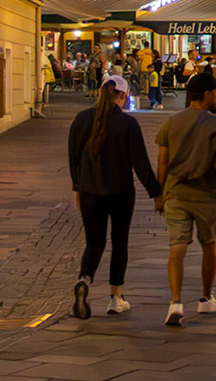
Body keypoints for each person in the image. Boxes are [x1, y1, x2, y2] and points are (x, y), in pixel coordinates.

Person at [67, 75, 163, 318]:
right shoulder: (128, 124)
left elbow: (73, 157)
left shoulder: (81, 120)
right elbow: (140, 164)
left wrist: (77, 186)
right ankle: (115, 297)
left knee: (94, 243)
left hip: (89, 191)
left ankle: (84, 281)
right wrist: (156, 193)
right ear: (122, 95)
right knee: (120, 242)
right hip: (120, 192)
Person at [156, 69, 216, 325]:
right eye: (215, 92)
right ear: (209, 94)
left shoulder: (171, 122)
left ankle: (176, 302)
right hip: (204, 193)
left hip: (176, 191)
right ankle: (206, 298)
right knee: (208, 244)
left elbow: (163, 162)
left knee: (177, 246)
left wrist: (159, 193)